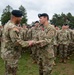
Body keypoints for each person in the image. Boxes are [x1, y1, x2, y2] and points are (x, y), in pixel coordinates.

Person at [1, 10, 36, 75]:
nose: (21, 19)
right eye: (20, 17)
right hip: (11, 55)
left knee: (8, 71)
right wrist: (29, 43)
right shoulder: (12, 28)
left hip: (6, 53)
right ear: (15, 17)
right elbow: (17, 42)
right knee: (11, 72)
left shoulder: (7, 24)